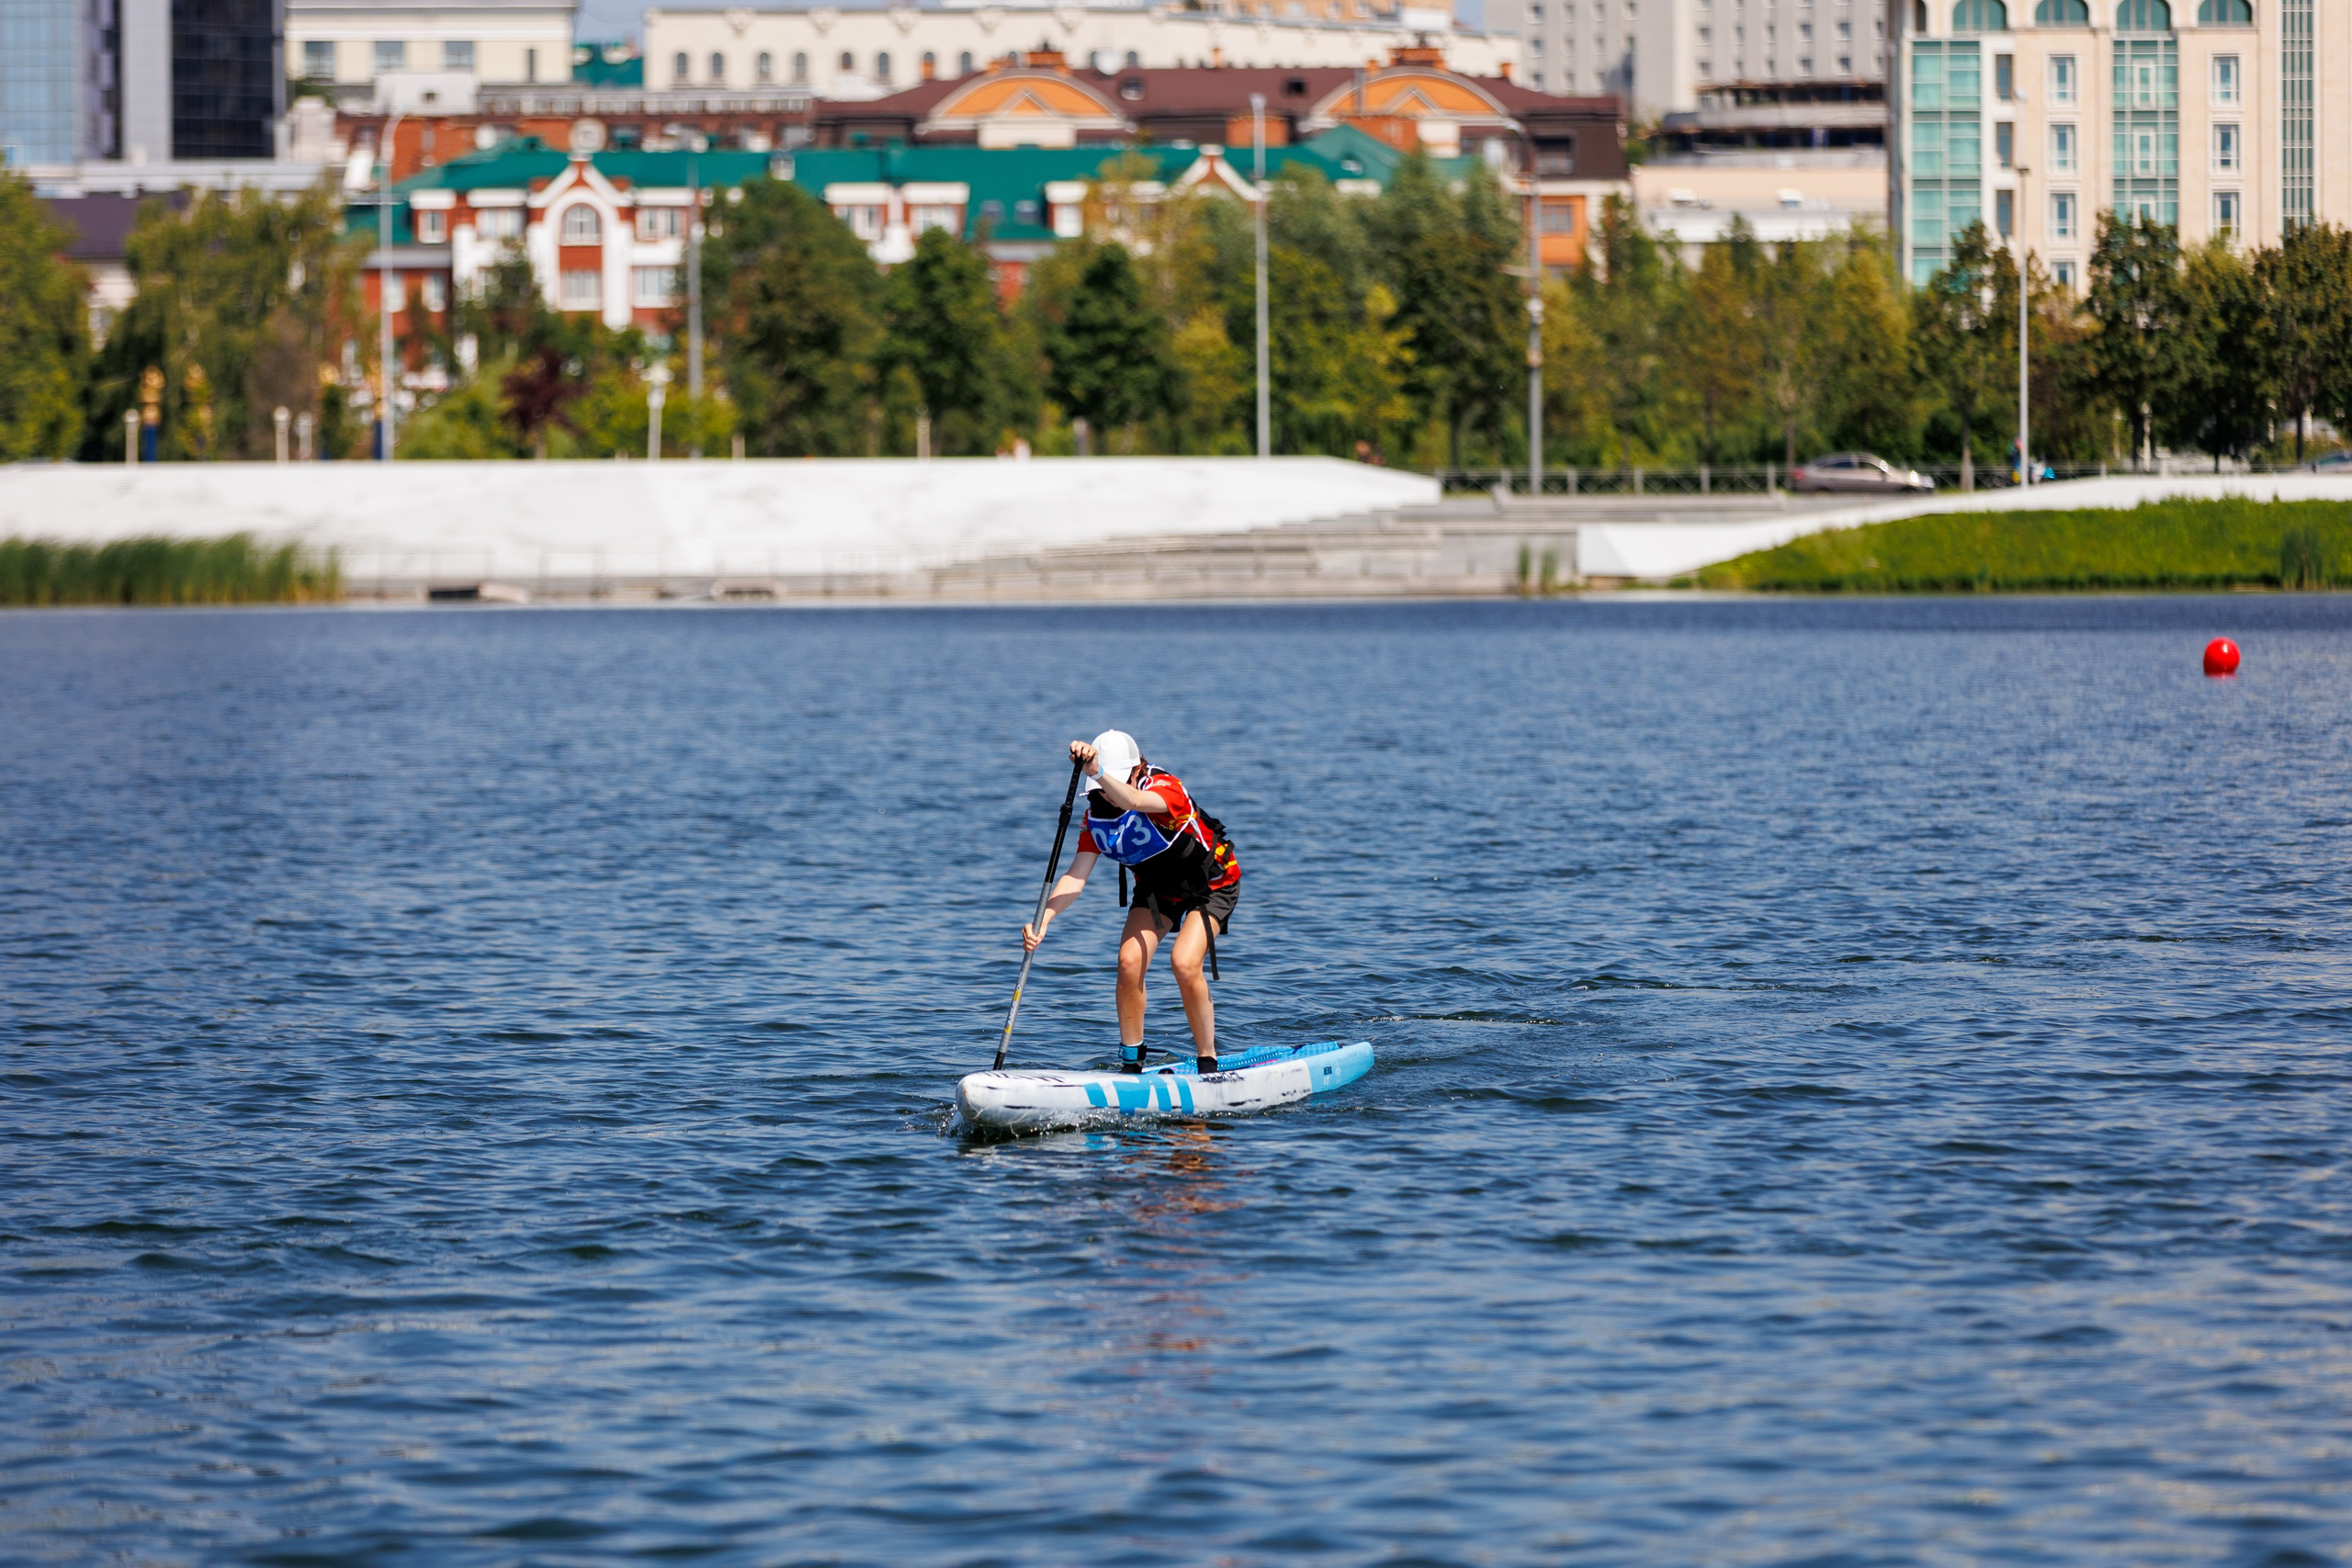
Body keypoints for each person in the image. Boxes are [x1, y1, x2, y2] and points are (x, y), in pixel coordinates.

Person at [1021, 730, 1239, 1075]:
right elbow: (1076, 878)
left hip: (1211, 884)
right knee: (1128, 962)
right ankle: (1132, 1064)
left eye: (1112, 786)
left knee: (1183, 962)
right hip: (1157, 890)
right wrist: (1044, 917)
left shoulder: (1166, 789)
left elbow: (1135, 803)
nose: (1106, 798)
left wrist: (1096, 772)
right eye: (1099, 792)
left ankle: (1208, 1062)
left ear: (1138, 770)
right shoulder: (1096, 817)